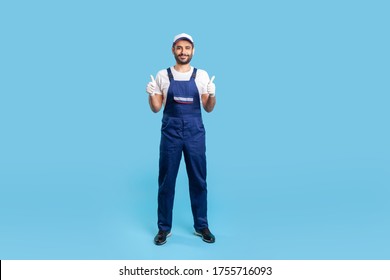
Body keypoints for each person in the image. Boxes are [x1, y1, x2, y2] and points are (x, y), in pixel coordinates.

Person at [146, 33, 217, 245]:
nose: (183, 51)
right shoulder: (162, 75)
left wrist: (212, 94)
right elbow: (156, 108)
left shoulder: (202, 75)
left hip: (195, 133)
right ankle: (163, 228)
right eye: (179, 48)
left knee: (198, 179)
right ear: (173, 50)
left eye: (187, 48)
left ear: (193, 50)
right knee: (166, 181)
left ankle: (201, 225)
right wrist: (150, 94)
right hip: (171, 134)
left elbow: (208, 108)